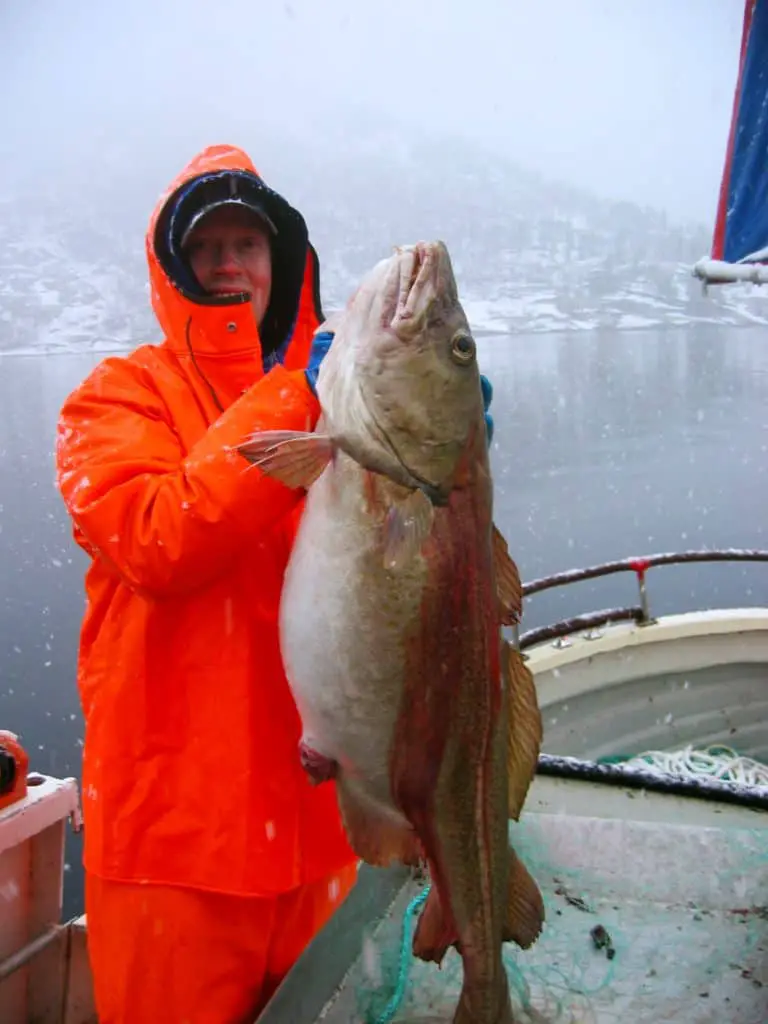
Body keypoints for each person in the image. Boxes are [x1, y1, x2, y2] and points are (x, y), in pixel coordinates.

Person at [55, 142, 495, 1024]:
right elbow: (158, 539)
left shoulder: (339, 406)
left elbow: (400, 584)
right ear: (175, 270)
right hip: (175, 854)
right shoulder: (115, 397)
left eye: (245, 246)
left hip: (318, 833)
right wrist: (298, 396)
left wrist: (453, 449)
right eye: (207, 248)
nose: (228, 265)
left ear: (279, 264)